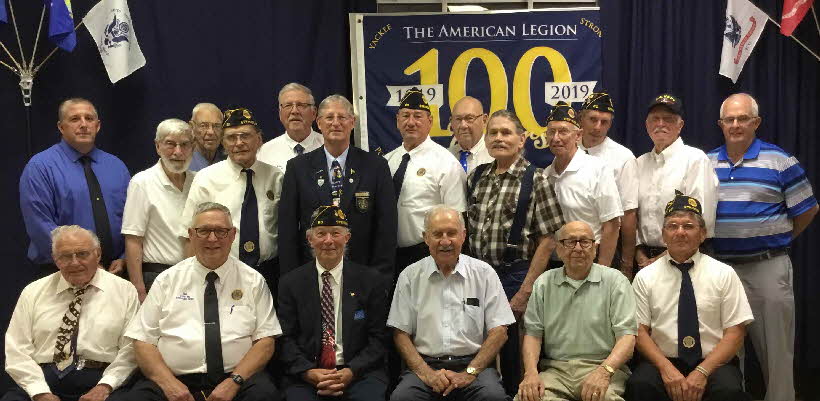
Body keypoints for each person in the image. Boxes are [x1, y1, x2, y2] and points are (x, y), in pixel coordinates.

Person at [708, 93, 818, 401]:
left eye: (742, 118)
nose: (735, 124)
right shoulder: (706, 162)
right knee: (725, 352)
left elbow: (807, 210)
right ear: (720, 124)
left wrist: (775, 238)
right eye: (729, 119)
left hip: (767, 266)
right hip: (720, 269)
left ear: (756, 122)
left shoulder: (780, 161)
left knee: (776, 350)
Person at [114, 202, 282, 401]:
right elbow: (142, 341)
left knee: (265, 395)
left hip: (237, 378)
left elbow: (265, 341)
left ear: (233, 235)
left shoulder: (254, 281)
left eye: (220, 231)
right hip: (175, 379)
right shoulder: (167, 281)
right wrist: (169, 384)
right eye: (203, 231)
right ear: (191, 235)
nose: (212, 238)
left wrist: (234, 381)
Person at [466, 109, 564, 395]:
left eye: (506, 132)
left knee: (512, 350)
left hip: (514, 275)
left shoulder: (536, 180)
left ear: (521, 140)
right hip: (479, 275)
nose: (499, 138)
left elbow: (548, 240)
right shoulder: (476, 177)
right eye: (493, 133)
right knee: (478, 343)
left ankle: (514, 394)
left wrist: (526, 289)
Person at [626, 191, 753, 401]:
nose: (680, 232)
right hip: (663, 361)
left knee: (728, 391)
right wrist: (667, 369)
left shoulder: (724, 273)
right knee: (640, 385)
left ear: (702, 234)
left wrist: (702, 372)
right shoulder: (645, 277)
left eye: (688, 226)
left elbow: (736, 332)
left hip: (713, 363)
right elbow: (639, 331)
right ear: (663, 234)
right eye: (673, 226)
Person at [387, 205, 515, 401]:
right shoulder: (410, 276)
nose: (445, 241)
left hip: (474, 366)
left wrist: (470, 372)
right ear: (426, 237)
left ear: (463, 236)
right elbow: (400, 334)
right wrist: (426, 373)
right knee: (402, 397)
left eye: (452, 233)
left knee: (493, 397)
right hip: (425, 366)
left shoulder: (484, 273)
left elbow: (499, 331)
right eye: (437, 234)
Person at [3, 226, 139, 401]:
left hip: (101, 379)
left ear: (97, 254)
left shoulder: (124, 291)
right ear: (55, 260)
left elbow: (130, 350)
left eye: (82, 254)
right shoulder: (33, 291)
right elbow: (16, 349)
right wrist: (39, 392)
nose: (74, 263)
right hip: (42, 379)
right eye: (65, 256)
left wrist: (105, 386)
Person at [278, 205, 390, 401]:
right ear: (310, 239)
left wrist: (351, 371)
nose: (328, 241)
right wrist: (308, 373)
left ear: (347, 238)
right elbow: (285, 339)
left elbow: (379, 338)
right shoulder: (290, 283)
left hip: (360, 373)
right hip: (307, 374)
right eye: (321, 233)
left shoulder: (371, 281)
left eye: (335, 233)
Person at [516, 221, 636, 401]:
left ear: (595, 248)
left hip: (604, 368)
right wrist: (531, 373)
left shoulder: (615, 281)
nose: (578, 248)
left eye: (585, 242)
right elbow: (533, 335)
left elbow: (627, 337)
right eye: (570, 242)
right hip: (557, 371)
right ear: (558, 249)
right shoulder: (543, 283)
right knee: (527, 398)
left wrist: (604, 372)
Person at [278, 95, 396, 278]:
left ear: (352, 122)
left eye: (342, 117)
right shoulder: (298, 167)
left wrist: (380, 278)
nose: (335, 123)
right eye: (329, 117)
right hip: (311, 273)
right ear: (318, 122)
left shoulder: (375, 166)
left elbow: (386, 229)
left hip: (363, 272)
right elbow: (288, 230)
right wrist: (291, 279)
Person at [20, 98, 130, 277]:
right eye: (75, 119)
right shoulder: (40, 167)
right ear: (61, 127)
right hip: (63, 272)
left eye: (89, 118)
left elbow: (132, 218)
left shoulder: (117, 167)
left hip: (115, 272)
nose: (84, 124)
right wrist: (82, 262)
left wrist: (126, 256)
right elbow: (39, 224)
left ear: (98, 125)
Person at [181, 107, 284, 292]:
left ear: (259, 140)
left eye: (245, 136)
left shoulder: (276, 177)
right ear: (223, 143)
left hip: (270, 272)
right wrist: (193, 284)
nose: (239, 143)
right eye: (231, 137)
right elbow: (190, 235)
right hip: (221, 271)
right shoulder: (206, 178)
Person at [627, 94, 719, 270]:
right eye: (655, 119)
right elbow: (632, 215)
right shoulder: (638, 163)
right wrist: (639, 255)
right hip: (643, 260)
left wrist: (664, 258)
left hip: (687, 259)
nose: (660, 124)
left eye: (668, 119)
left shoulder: (695, 160)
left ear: (680, 125)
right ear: (647, 125)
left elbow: (703, 221)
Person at [384, 88, 467, 274]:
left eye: (418, 116)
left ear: (430, 121)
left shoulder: (446, 163)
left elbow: (457, 219)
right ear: (397, 120)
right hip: (389, 256)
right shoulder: (388, 161)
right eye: (405, 115)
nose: (411, 122)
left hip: (428, 254)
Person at [122, 119, 196, 302]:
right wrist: (138, 289)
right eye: (170, 144)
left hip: (194, 276)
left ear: (193, 147)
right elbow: (133, 239)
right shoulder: (142, 183)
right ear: (157, 146)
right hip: (156, 277)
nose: (178, 152)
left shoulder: (199, 181)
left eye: (184, 144)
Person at [543, 101, 623, 267]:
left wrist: (602, 271)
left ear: (578, 136)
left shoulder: (598, 170)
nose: (556, 138)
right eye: (552, 132)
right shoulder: (545, 175)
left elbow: (612, 224)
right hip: (555, 263)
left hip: (590, 260)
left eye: (563, 131)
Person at [577, 92, 639, 277]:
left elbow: (629, 213)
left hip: (607, 245)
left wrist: (627, 263)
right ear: (581, 119)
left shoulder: (623, 157)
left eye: (604, 122)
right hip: (570, 245)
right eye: (593, 119)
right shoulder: (568, 150)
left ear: (610, 124)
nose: (598, 127)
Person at [257, 83, 324, 172]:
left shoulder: (329, 147)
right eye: (288, 105)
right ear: (280, 113)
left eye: (300, 105)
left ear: (314, 113)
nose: (294, 111)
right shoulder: (265, 152)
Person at [447, 96, 493, 174]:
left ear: (484, 120)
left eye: (469, 118)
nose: (463, 125)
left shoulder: (495, 156)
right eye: (458, 119)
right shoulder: (445, 157)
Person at [188, 103, 226, 172]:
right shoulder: (183, 162)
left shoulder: (229, 162)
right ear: (191, 127)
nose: (211, 132)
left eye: (217, 126)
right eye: (204, 126)